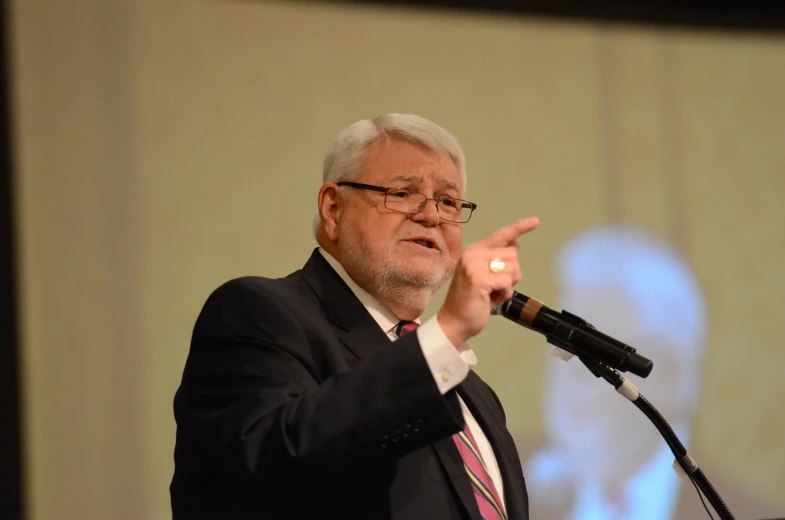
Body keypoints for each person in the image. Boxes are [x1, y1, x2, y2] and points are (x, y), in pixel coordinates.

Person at [170, 113, 537, 519]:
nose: (432, 216)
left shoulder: (476, 395)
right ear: (333, 208)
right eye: (402, 193)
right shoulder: (257, 314)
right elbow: (278, 461)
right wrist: (447, 332)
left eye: (448, 201)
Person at [520, 225, 781, 520]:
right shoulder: (501, 478)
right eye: (562, 348)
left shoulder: (737, 512)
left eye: (598, 352)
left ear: (673, 376)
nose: (574, 381)